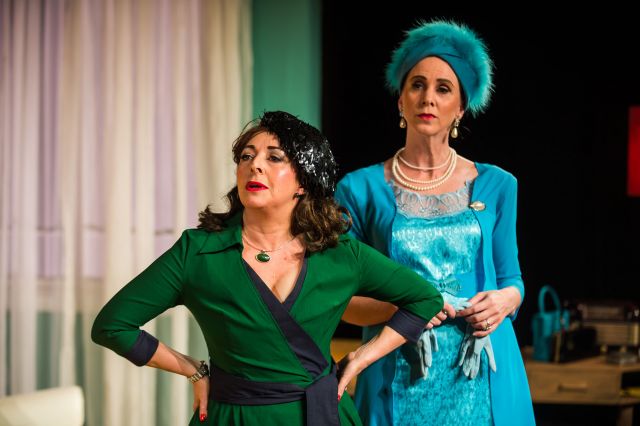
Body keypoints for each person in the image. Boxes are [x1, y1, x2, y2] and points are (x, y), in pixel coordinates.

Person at [91, 111, 443, 425]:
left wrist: (362, 357)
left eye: (274, 157)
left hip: (322, 414)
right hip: (232, 417)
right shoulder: (197, 252)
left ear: (303, 182)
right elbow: (112, 326)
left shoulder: (340, 253)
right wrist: (193, 370)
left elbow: (425, 299)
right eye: (246, 156)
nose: (254, 165)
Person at [335, 21, 535, 425]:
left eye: (443, 88)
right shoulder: (358, 189)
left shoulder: (498, 185)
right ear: (400, 100)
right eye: (417, 85)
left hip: (484, 372)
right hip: (397, 370)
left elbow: (512, 279)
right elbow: (341, 301)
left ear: (460, 108)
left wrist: (505, 301)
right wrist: (412, 306)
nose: (428, 97)